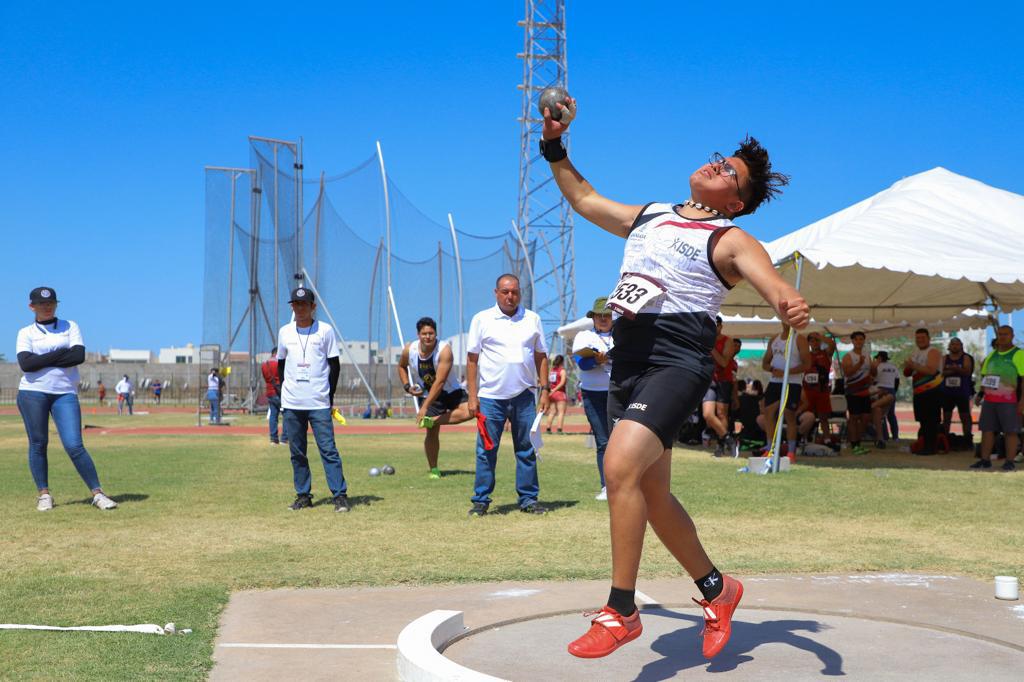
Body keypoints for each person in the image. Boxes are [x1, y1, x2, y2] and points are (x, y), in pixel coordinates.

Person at [542, 96, 807, 660]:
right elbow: (584, 198)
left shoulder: (731, 239)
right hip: (628, 363)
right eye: (719, 157)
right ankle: (718, 588)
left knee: (617, 468)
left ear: (736, 199)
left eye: (728, 171)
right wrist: (555, 145)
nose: (715, 165)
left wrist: (788, 303)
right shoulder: (651, 214)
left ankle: (621, 610)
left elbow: (773, 285)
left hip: (678, 360)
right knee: (652, 494)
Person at [15, 287, 117, 511]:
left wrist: (41, 358)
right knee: (39, 444)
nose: (47, 306)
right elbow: (26, 364)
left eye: (51, 302)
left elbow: (78, 356)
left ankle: (98, 494)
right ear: (32, 306)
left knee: (74, 445)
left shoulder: (70, 326)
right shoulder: (25, 333)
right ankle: (44, 494)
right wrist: (61, 353)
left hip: (65, 394)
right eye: (42, 304)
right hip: (32, 393)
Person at [466, 274, 550, 516]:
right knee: (486, 451)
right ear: (496, 293)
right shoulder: (482, 319)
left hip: (524, 396)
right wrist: (473, 396)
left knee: (526, 449)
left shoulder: (532, 319)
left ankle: (528, 499)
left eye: (514, 292)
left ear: (519, 293)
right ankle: (481, 500)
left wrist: (544, 390)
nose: (510, 296)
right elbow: (472, 360)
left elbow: (541, 356)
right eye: (505, 292)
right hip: (491, 397)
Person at [276, 286, 350, 512]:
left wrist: (329, 396)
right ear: (292, 307)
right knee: (297, 452)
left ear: (312, 307)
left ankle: (339, 495)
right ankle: (303, 495)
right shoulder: (284, 332)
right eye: (295, 304)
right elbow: (281, 363)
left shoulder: (325, 331)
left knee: (328, 450)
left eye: (304, 304)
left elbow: (334, 365)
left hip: (318, 402)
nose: (299, 308)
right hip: (292, 403)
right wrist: (284, 391)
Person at [397, 317, 472, 479]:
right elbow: (401, 366)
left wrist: (424, 408)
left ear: (436, 333)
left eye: (431, 333)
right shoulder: (409, 350)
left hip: (450, 390)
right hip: (427, 394)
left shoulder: (444, 350)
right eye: (424, 333)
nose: (428, 337)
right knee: (431, 433)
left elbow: (440, 382)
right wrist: (407, 387)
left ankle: (433, 419)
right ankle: (434, 469)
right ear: (418, 334)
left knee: (471, 411)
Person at [572, 297, 614, 500]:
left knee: (623, 441)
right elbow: (582, 363)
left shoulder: (622, 337)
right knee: (603, 442)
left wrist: (611, 357)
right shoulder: (584, 336)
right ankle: (607, 486)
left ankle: (626, 484)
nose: (603, 319)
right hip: (593, 395)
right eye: (600, 316)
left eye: (607, 315)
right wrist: (597, 360)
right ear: (593, 318)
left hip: (618, 393)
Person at [969, 325, 1024, 471]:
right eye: (1000, 334)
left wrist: (1022, 401)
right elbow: (986, 377)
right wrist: (980, 394)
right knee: (987, 430)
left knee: (1010, 431)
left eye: (1005, 334)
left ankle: (1009, 462)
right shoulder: (992, 355)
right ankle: (985, 460)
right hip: (990, 401)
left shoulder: (1019, 354)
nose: (1002, 337)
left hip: (1009, 401)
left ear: (1012, 336)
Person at [761, 323, 810, 456]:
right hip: (775, 382)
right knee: (768, 413)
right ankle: (769, 448)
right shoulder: (774, 339)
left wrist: (786, 372)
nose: (787, 322)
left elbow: (807, 364)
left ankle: (791, 452)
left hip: (792, 383)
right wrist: (772, 369)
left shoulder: (800, 339)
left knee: (789, 415)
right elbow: (765, 363)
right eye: (784, 319)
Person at [701, 316, 738, 456]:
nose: (714, 327)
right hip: (709, 380)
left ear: (721, 326)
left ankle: (720, 446)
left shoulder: (727, 341)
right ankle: (728, 438)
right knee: (708, 414)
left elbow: (723, 362)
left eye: (717, 325)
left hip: (724, 380)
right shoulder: (703, 339)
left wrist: (710, 347)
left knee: (722, 414)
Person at [903, 328, 943, 455]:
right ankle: (924, 445)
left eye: (922, 338)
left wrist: (914, 366)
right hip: (919, 392)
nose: (920, 340)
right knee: (923, 420)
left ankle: (931, 447)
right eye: (917, 338)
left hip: (932, 391)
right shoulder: (915, 353)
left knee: (931, 420)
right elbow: (906, 373)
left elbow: (931, 370)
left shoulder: (933, 351)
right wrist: (908, 367)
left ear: (929, 338)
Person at [842, 331, 874, 454]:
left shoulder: (867, 355)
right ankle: (855, 444)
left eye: (861, 339)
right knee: (854, 417)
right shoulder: (848, 356)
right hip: (852, 390)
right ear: (853, 341)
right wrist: (859, 364)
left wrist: (873, 371)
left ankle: (857, 441)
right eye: (857, 339)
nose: (859, 341)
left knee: (866, 417)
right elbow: (847, 372)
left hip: (865, 391)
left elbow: (871, 372)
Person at [803, 332, 836, 443]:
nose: (814, 343)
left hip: (822, 390)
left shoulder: (826, 353)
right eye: (812, 340)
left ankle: (827, 439)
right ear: (808, 343)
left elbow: (832, 345)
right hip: (808, 391)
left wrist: (820, 336)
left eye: (816, 340)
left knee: (824, 417)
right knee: (807, 416)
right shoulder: (806, 355)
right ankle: (804, 439)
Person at [940, 337, 974, 448]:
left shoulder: (966, 358)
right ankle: (945, 439)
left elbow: (967, 372)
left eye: (957, 344)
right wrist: (956, 369)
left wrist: (953, 369)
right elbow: (940, 372)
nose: (954, 346)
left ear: (961, 346)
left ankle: (968, 439)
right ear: (949, 346)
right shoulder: (945, 358)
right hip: (947, 392)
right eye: (952, 344)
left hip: (962, 392)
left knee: (965, 416)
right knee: (946, 416)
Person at [262, 347, 287, 445]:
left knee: (273, 415)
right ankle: (284, 438)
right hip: (282, 392)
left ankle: (273, 438)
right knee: (286, 415)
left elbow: (266, 378)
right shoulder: (280, 363)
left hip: (270, 392)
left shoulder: (265, 365)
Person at [874, 351, 900, 441]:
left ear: (880, 358)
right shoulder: (894, 367)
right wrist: (894, 392)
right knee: (891, 414)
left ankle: (884, 436)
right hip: (891, 389)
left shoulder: (878, 367)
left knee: (880, 414)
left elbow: (874, 380)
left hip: (880, 390)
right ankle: (895, 436)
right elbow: (897, 380)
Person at [544, 355, 569, 434]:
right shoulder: (562, 371)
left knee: (552, 412)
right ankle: (559, 429)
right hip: (560, 393)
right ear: (562, 362)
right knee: (561, 412)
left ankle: (548, 429)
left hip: (551, 393)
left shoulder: (552, 371)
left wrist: (551, 390)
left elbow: (549, 382)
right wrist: (555, 390)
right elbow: (562, 382)